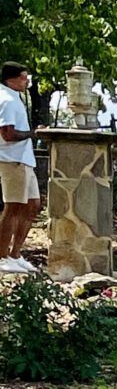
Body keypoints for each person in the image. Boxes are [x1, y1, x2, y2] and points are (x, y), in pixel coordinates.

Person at [0, 63, 40, 274]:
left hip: (24, 160)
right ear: (11, 79)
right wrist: (33, 134)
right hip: (12, 160)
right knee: (13, 208)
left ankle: (15, 254)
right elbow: (7, 134)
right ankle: (1, 257)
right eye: (24, 78)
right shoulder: (6, 100)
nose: (27, 82)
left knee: (32, 205)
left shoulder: (14, 98)